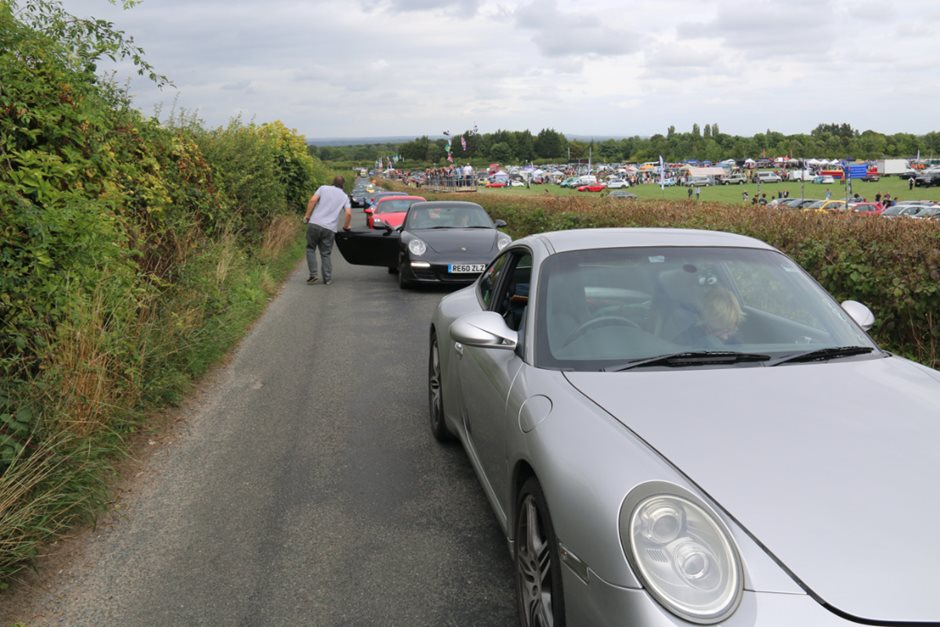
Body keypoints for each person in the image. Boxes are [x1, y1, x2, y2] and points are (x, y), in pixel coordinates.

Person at [304, 175, 352, 285]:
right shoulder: (344, 197)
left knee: (310, 249)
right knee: (325, 253)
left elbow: (313, 200)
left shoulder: (323, 188)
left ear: (332, 182)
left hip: (315, 223)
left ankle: (313, 274)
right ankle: (327, 279)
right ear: (343, 185)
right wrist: (346, 226)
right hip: (329, 229)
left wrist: (307, 215)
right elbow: (348, 213)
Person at [676, 286, 744, 347]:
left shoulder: (734, 343)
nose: (725, 337)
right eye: (717, 331)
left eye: (730, 330)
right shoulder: (684, 340)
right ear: (703, 321)